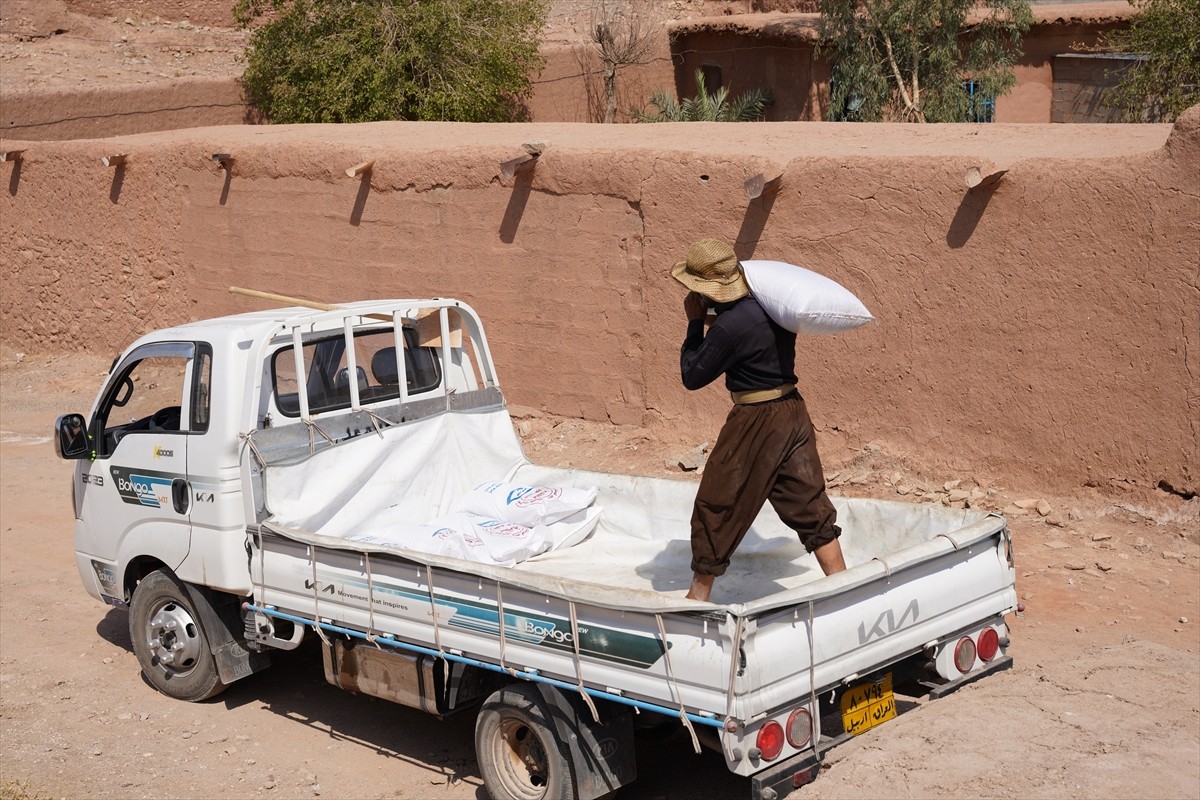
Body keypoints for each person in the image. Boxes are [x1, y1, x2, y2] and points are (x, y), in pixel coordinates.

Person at [671, 238, 847, 602]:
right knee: (806, 498)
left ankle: (697, 597)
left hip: (755, 421)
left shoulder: (728, 329)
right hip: (793, 413)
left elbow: (692, 376)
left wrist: (693, 325)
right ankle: (843, 584)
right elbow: (747, 328)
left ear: (707, 291)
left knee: (718, 502)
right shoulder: (767, 307)